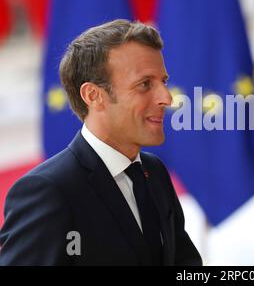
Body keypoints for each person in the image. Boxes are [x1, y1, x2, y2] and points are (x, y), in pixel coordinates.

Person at [0, 19, 202, 266]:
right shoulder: (48, 191)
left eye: (164, 82)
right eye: (145, 84)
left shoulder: (155, 173)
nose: (167, 98)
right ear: (94, 96)